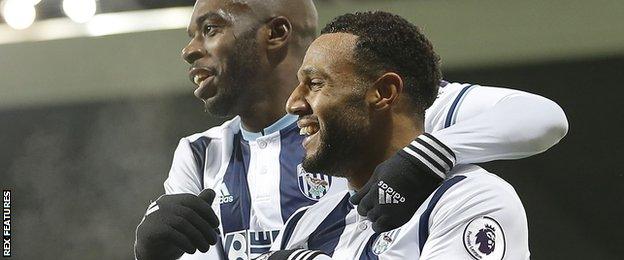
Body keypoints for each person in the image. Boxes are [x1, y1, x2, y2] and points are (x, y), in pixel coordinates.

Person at [133, 0, 568, 259]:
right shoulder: (201, 155)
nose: (189, 50)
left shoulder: (412, 107)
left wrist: (426, 156)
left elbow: (545, 119)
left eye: (210, 29)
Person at [263, 11, 532, 260]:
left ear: (384, 92)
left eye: (315, 84)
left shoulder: (471, 199)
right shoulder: (302, 225)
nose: (293, 103)